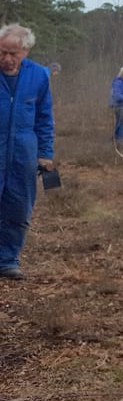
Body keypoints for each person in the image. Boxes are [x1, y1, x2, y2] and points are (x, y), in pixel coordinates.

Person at [0, 24, 55, 281]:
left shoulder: (40, 76)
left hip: (24, 150)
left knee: (19, 206)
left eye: (14, 53)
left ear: (26, 50)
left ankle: (8, 259)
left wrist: (45, 153)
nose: (7, 59)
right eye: (2, 52)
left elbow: (44, 118)